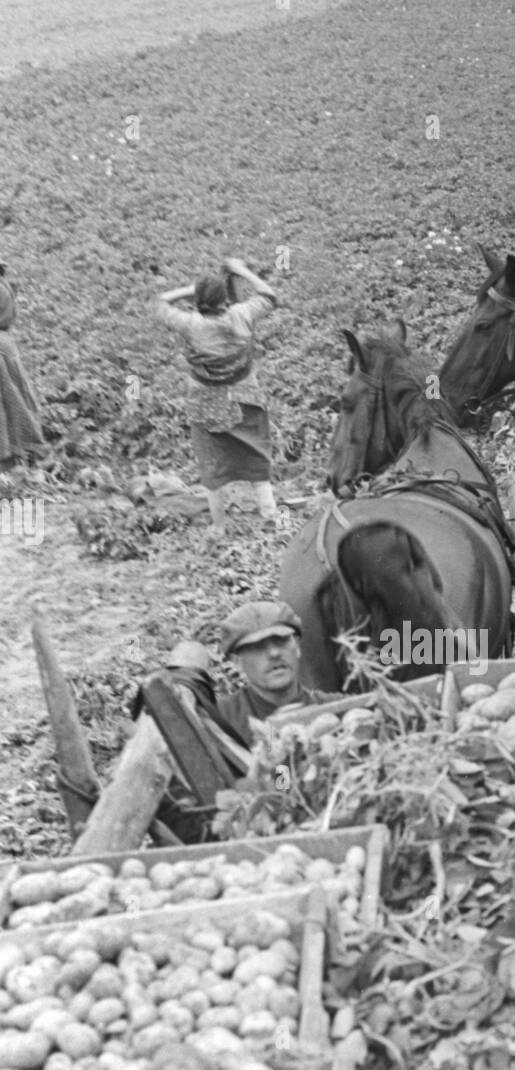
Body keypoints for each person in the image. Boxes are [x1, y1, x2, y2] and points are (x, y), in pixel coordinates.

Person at [153, 257, 279, 536]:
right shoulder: (242, 315)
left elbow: (159, 302)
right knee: (257, 453)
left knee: (212, 464)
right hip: (246, 396)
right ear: (225, 300)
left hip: (204, 403)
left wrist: (192, 290)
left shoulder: (189, 324)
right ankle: (269, 514)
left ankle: (219, 526)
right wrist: (240, 271)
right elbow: (269, 295)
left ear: (199, 302)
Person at [217, 600, 316, 746]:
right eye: (258, 647)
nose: (274, 653)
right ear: (237, 662)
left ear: (297, 646)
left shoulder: (338, 708)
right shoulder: (221, 720)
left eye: (280, 640)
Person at [0, 272, 46, 471]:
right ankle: (20, 454)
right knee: (15, 399)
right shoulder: (3, 285)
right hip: (6, 344)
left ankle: (11, 456)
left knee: (8, 403)